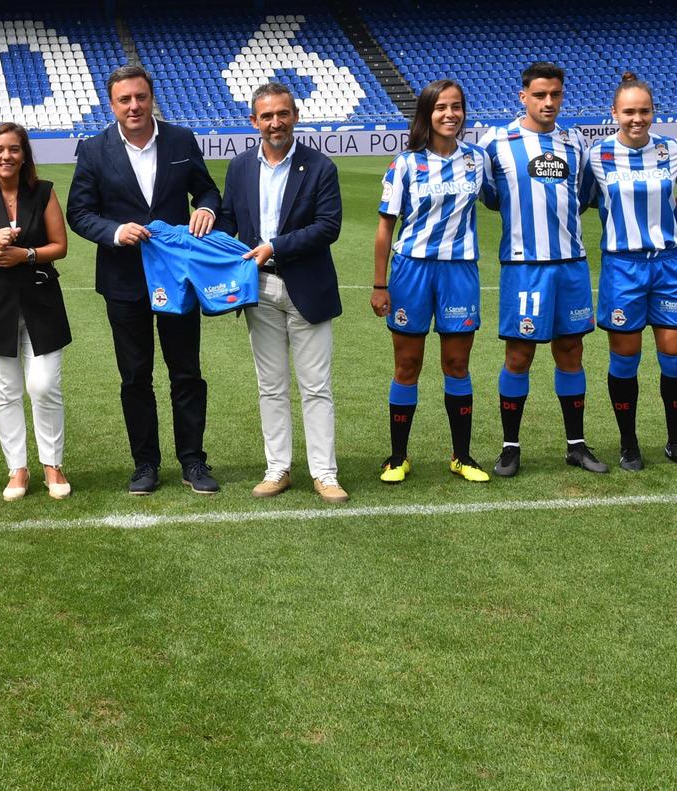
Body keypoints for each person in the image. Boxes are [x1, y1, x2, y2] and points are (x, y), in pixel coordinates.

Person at [67, 64, 223, 496]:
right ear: (112, 104)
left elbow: (206, 190)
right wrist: (115, 232)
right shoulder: (95, 150)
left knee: (186, 371)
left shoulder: (180, 139)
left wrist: (207, 208)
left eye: (140, 97)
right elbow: (79, 213)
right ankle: (145, 465)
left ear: (151, 97)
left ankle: (193, 460)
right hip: (124, 279)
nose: (133, 106)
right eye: (124, 100)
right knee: (135, 375)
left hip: (177, 278)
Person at [218, 82, 346, 502]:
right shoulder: (239, 168)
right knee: (270, 385)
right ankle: (278, 469)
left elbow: (328, 227)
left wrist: (276, 246)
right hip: (260, 288)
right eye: (267, 116)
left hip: (306, 286)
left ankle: (325, 474)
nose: (276, 122)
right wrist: (202, 246)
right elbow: (227, 222)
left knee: (316, 386)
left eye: (283, 114)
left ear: (295, 116)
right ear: (253, 121)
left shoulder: (320, 166)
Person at [478, 62, 604, 477]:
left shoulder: (575, 142)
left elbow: (584, 195)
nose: (548, 102)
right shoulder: (496, 142)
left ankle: (576, 445)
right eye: (539, 95)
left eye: (555, 95)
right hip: (524, 266)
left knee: (571, 351)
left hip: (570, 265)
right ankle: (510, 447)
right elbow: (492, 198)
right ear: (523, 97)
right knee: (519, 355)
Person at [372, 80, 492, 484]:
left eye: (456, 107)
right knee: (407, 365)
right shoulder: (405, 163)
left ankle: (462, 456)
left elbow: (500, 198)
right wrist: (379, 283)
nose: (450, 114)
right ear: (426, 112)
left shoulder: (477, 160)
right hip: (411, 271)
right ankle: (397, 457)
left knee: (457, 364)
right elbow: (385, 227)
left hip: (459, 271)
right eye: (441, 107)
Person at [589, 74, 677, 470]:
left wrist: (668, 219)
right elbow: (585, 199)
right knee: (626, 359)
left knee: (674, 357)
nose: (637, 119)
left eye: (644, 111)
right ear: (614, 113)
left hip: (668, 264)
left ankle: (676, 442)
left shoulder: (672, 149)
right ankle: (629, 444)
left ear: (653, 112)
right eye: (629, 112)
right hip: (623, 266)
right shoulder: (597, 155)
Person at [0, 122, 73, 501]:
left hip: (42, 300)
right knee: (4, 392)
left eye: (13, 149)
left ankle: (53, 464)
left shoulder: (42, 192)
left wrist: (26, 254)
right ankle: (18, 469)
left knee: (43, 386)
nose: (5, 156)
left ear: (24, 155)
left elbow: (60, 245)